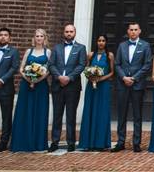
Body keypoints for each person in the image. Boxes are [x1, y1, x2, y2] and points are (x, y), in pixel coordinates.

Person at [113, 22, 152, 152]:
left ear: (139, 31)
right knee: (122, 114)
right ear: (128, 31)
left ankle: (136, 143)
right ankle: (120, 141)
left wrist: (134, 78)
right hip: (122, 84)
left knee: (137, 115)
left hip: (137, 85)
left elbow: (147, 65)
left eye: (136, 29)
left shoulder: (145, 46)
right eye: (131, 30)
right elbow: (117, 64)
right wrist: (124, 77)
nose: (133, 32)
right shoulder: (122, 46)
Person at [48, 23, 87, 152]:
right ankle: (55, 141)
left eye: (71, 31)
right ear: (63, 33)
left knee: (71, 114)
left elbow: (81, 65)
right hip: (57, 84)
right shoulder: (56, 48)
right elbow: (51, 64)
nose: (69, 34)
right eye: (67, 32)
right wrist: (59, 77)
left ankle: (71, 142)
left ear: (74, 33)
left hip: (73, 86)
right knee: (57, 114)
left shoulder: (81, 48)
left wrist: (69, 77)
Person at [10, 28, 51, 152]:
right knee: (25, 111)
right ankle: (22, 142)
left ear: (45, 38)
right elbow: (21, 68)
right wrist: (29, 79)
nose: (39, 38)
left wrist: (37, 79)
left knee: (39, 112)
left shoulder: (48, 52)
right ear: (34, 38)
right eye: (37, 36)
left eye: (41, 36)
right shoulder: (29, 51)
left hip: (41, 86)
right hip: (26, 86)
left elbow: (48, 70)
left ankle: (37, 143)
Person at [78, 34, 114, 151]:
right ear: (96, 42)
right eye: (99, 40)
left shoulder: (109, 55)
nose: (101, 42)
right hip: (91, 87)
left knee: (102, 112)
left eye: (103, 40)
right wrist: (91, 78)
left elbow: (112, 72)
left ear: (106, 42)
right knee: (90, 110)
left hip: (103, 87)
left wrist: (100, 79)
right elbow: (86, 69)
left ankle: (100, 143)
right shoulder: (90, 55)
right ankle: (87, 142)